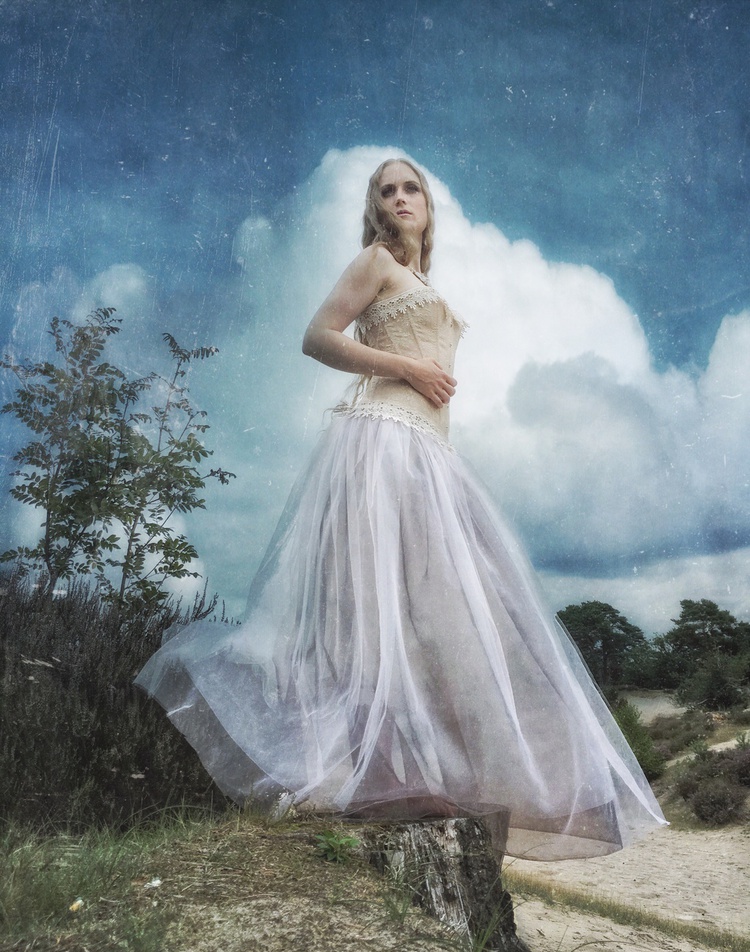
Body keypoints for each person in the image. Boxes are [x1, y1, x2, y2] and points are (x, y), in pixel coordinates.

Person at [135, 158, 667, 861]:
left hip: (429, 456)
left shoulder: (420, 280)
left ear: (428, 202)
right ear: (376, 208)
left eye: (409, 186)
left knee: (440, 612)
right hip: (382, 444)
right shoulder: (377, 262)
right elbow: (317, 336)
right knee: (380, 610)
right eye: (386, 190)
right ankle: (371, 774)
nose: (398, 197)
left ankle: (428, 772)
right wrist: (407, 368)